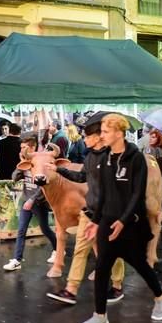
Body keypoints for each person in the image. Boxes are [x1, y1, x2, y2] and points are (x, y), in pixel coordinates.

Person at [78, 114, 162, 323]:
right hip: (108, 222)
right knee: (102, 269)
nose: (101, 136)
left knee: (139, 264)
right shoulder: (104, 159)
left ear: (119, 132)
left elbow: (137, 194)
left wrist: (122, 221)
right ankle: (99, 315)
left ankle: (161, 296)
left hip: (130, 224)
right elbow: (102, 195)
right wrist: (96, 220)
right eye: (101, 132)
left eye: (105, 132)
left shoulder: (136, 158)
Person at [46, 119, 125, 305]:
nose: (84, 138)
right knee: (80, 250)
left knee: (111, 250)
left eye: (87, 136)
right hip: (89, 212)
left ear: (98, 137)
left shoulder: (113, 158)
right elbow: (81, 176)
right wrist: (58, 169)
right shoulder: (90, 157)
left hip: (107, 214)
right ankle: (70, 290)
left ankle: (117, 286)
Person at [3, 133, 58, 272]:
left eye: (24, 147)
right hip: (26, 201)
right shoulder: (26, 163)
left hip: (38, 202)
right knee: (21, 230)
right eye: (21, 147)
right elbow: (14, 177)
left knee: (45, 228)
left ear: (33, 147)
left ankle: (58, 249)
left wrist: (32, 200)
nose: (21, 150)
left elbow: (44, 185)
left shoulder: (41, 161)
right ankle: (17, 260)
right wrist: (20, 163)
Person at [144, 129, 162, 233]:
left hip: (153, 180)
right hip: (161, 179)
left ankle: (158, 223)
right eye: (150, 136)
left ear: (159, 139)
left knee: (154, 202)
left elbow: (150, 167)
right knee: (159, 201)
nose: (150, 139)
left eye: (154, 137)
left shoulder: (151, 150)